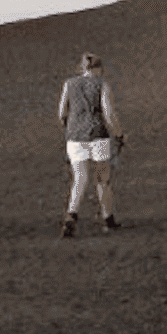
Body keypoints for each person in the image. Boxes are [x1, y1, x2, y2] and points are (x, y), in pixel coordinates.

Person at [57, 52, 126, 237]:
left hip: (75, 137)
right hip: (98, 136)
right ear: (98, 68)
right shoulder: (102, 84)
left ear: (82, 68)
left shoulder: (69, 84)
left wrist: (70, 128)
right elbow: (109, 113)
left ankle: (71, 216)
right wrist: (119, 134)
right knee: (102, 179)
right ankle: (108, 218)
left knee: (79, 178)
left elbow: (62, 112)